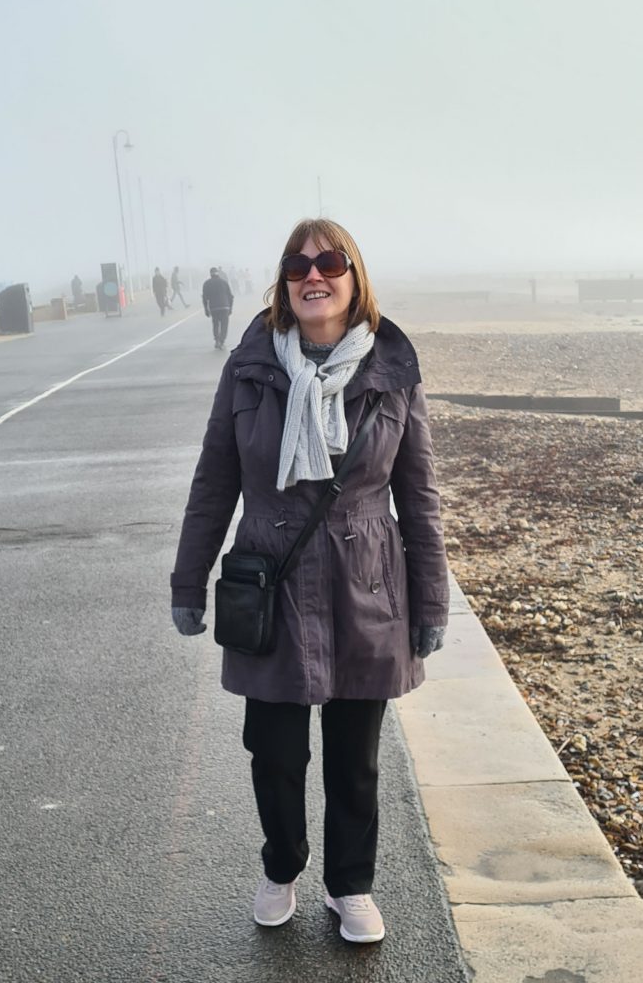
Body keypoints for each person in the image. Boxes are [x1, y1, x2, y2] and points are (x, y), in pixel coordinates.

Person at [171, 218, 449, 944]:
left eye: (329, 262)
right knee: (274, 753)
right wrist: (187, 581)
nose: (313, 275)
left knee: (355, 760)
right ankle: (281, 867)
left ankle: (350, 885)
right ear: (283, 283)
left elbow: (418, 495)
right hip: (272, 579)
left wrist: (430, 600)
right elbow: (214, 482)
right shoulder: (250, 368)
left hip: (366, 584)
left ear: (355, 278)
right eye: (297, 266)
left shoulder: (391, 369)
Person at [201, 266, 234, 348]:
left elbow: (204, 298)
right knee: (224, 324)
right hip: (225, 306)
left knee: (215, 324)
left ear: (210, 274)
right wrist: (230, 308)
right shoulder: (224, 282)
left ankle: (217, 340)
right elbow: (230, 296)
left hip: (214, 308)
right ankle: (222, 341)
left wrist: (206, 309)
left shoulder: (207, 283)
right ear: (218, 273)